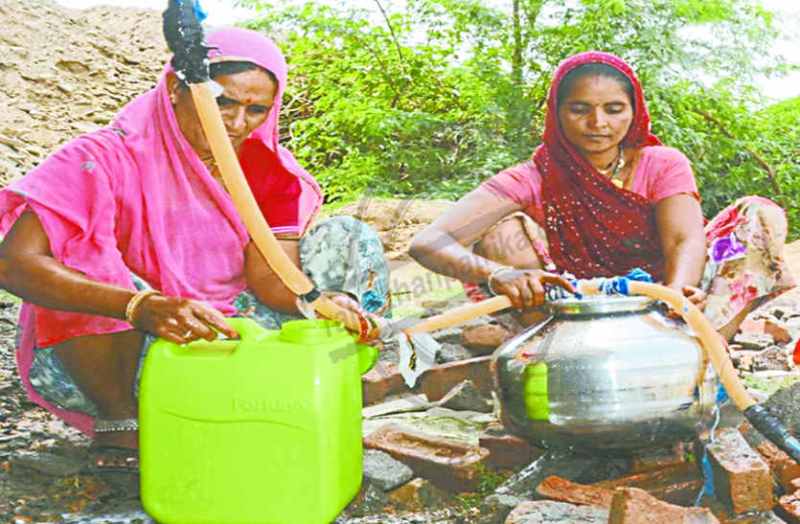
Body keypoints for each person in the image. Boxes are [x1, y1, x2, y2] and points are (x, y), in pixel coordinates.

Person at [0, 28, 390, 470]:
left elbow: (273, 279)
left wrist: (328, 305)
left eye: (256, 109)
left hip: (222, 332)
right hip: (123, 351)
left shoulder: (266, 170)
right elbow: (15, 265)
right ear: (176, 89)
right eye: (222, 101)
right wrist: (140, 306)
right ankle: (120, 422)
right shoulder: (101, 158)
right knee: (82, 249)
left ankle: (325, 378)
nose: (237, 123)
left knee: (349, 235)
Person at [410, 51, 794, 338]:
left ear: (634, 112)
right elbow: (428, 242)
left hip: (672, 299)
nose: (598, 124)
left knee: (758, 215)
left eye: (614, 109)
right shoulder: (532, 177)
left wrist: (676, 296)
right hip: (577, 305)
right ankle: (552, 353)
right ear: (556, 113)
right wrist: (498, 274)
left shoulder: (661, 163)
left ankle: (702, 353)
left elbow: (684, 239)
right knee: (500, 231)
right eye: (580, 109)